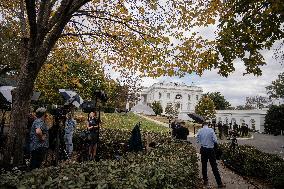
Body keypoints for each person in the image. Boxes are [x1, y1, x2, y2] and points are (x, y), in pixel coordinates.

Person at [197, 120, 225, 188]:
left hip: (203, 149)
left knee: (204, 165)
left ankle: (205, 180)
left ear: (202, 125)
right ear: (208, 125)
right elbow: (215, 140)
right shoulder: (211, 130)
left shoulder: (199, 130)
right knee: (214, 166)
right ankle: (219, 183)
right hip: (210, 149)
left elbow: (198, 141)